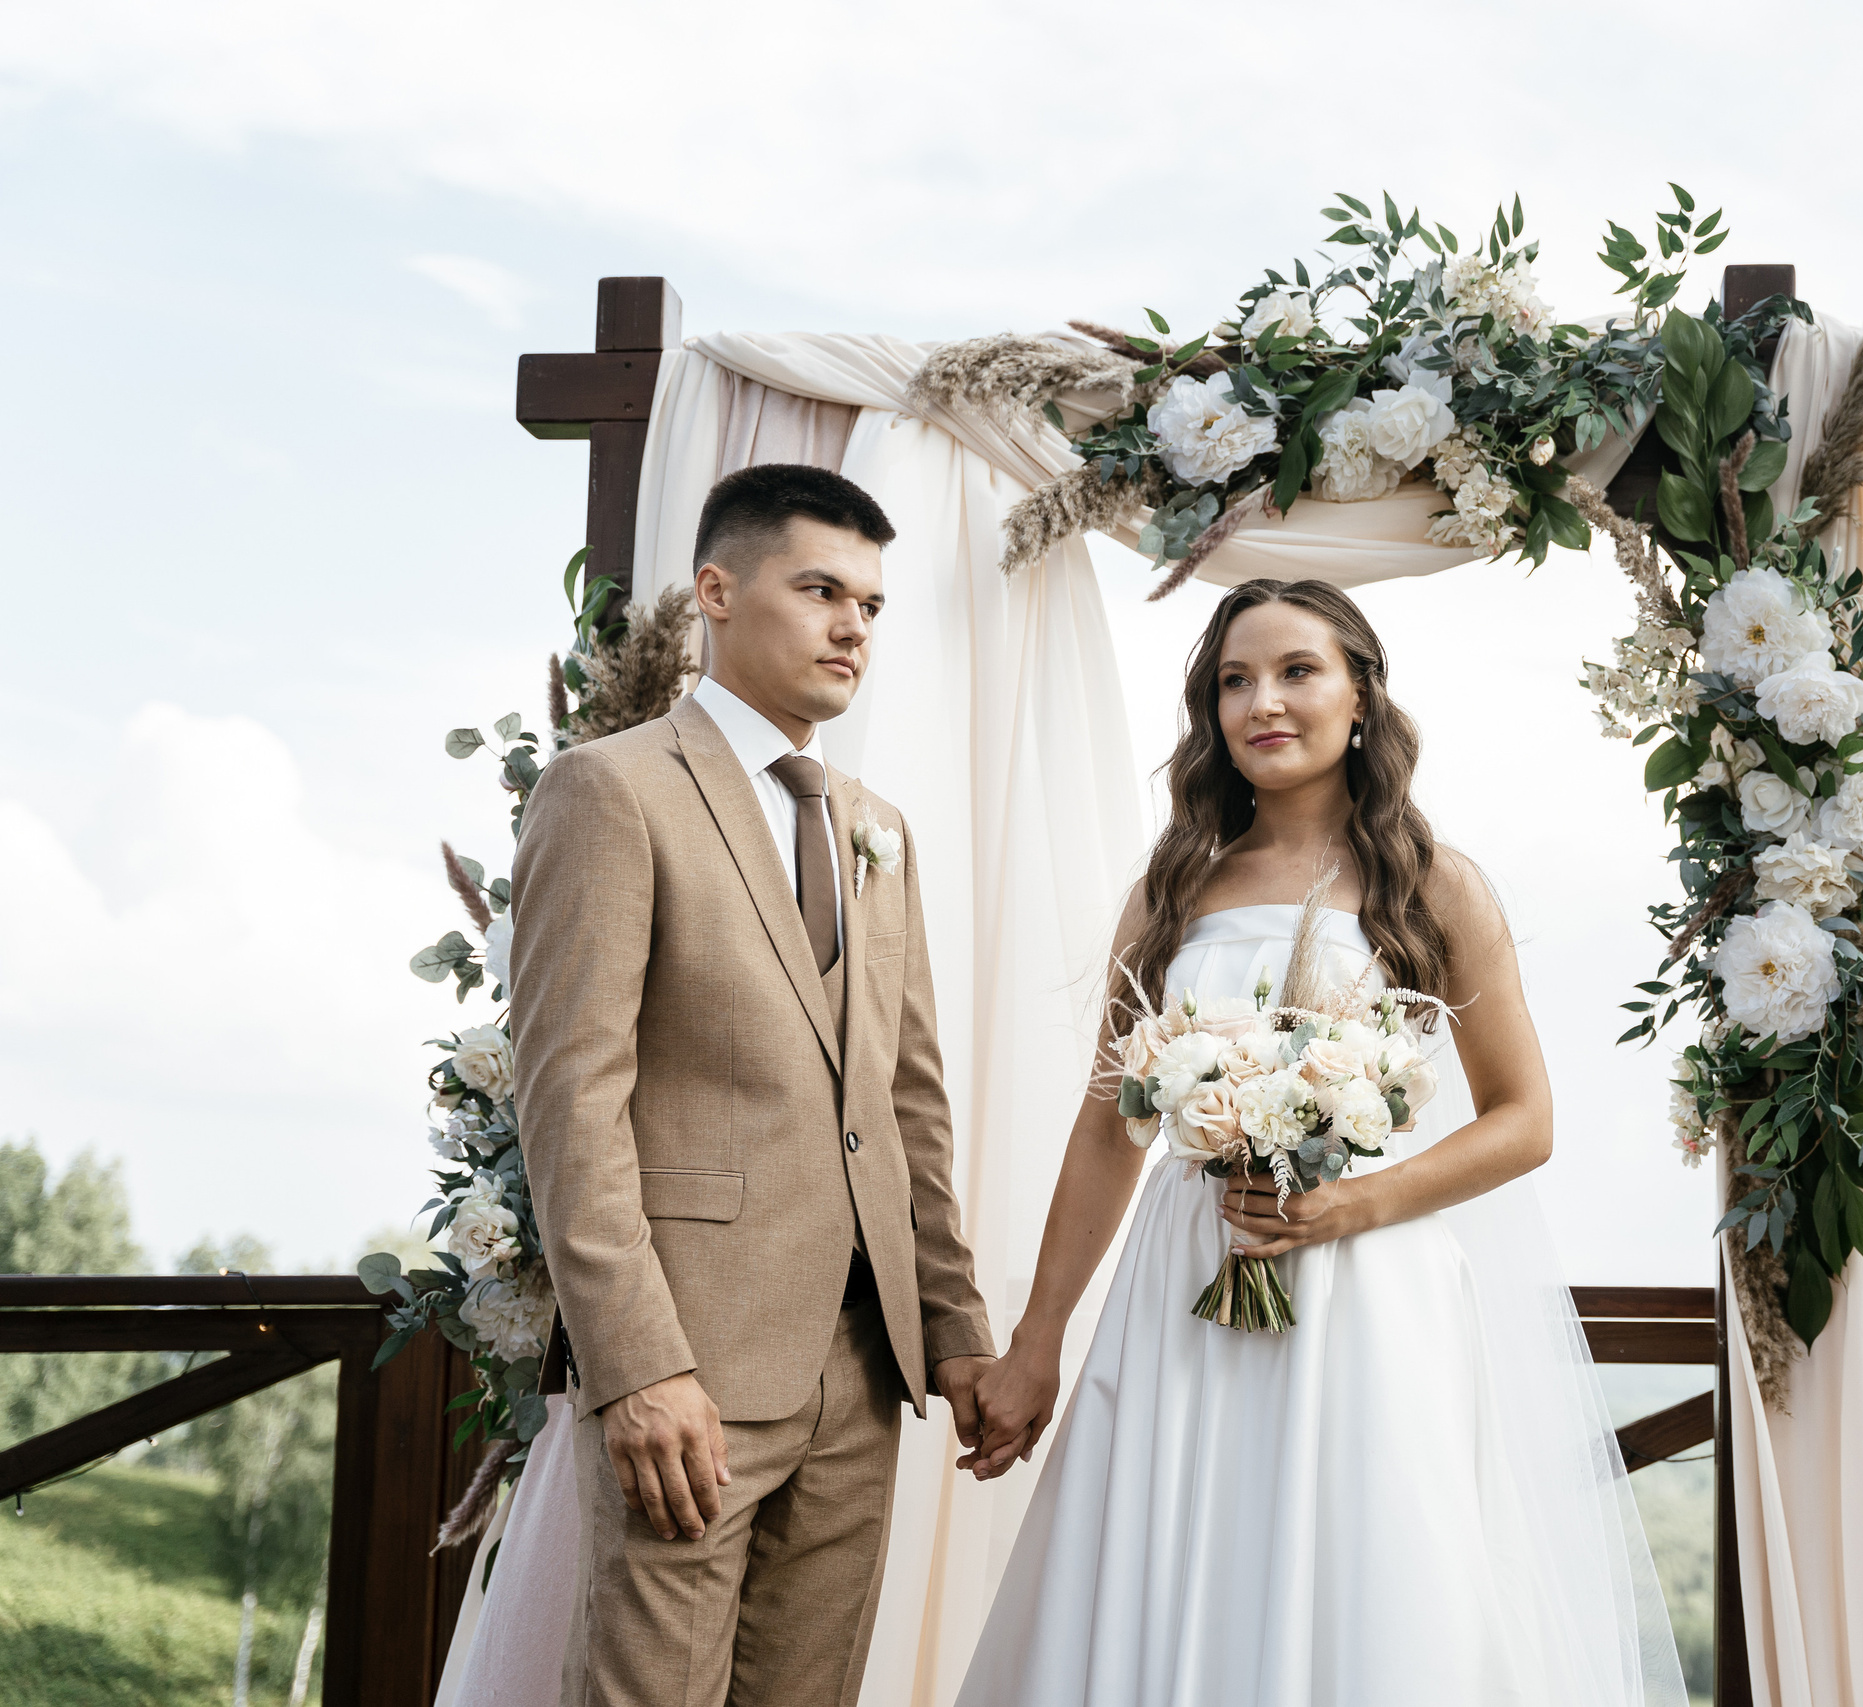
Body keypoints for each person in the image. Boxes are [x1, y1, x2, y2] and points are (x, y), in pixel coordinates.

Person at [955, 578, 1687, 1706]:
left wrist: (1349, 1206)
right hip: (1185, 1283)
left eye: (1297, 671)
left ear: (1360, 694)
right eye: (1234, 681)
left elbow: (1524, 1121)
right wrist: (1038, 1341)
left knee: (1374, 1573)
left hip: (1370, 1293)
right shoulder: (1174, 890)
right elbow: (1112, 1125)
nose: (1263, 702)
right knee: (1170, 1556)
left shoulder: (1435, 886)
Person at [511, 462, 1010, 1707]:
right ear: (719, 593)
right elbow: (570, 1100)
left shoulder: (874, 824)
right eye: (821, 589)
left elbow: (908, 1109)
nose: (853, 627)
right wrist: (634, 1365)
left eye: (873, 606)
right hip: (691, 1364)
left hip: (864, 1366)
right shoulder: (611, 789)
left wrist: (953, 1334)